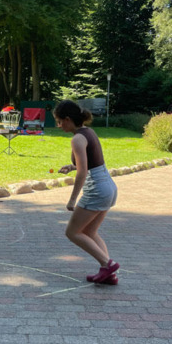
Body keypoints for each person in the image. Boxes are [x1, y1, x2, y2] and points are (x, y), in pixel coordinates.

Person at [54, 100, 119, 284]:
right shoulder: (87, 132)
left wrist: (72, 199)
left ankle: (109, 264)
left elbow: (84, 172)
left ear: (67, 119)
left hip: (97, 190)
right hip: (109, 188)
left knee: (72, 232)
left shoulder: (77, 139)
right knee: (89, 232)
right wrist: (72, 166)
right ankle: (108, 273)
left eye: (59, 121)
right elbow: (88, 163)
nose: (59, 126)